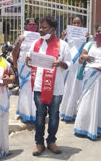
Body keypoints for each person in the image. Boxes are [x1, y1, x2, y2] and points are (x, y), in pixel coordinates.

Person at [26, 16, 71, 156]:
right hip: (39, 85)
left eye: (44, 27)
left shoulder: (62, 45)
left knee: (54, 115)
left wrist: (61, 63)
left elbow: (69, 64)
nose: (40, 30)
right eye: (40, 27)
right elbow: (29, 63)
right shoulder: (35, 44)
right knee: (40, 115)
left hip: (56, 87)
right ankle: (39, 143)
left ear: (52, 29)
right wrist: (28, 61)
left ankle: (51, 141)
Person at [74, 24, 101, 140]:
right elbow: (80, 59)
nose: (100, 34)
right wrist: (84, 57)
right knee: (86, 101)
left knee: (100, 103)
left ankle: (97, 127)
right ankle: (82, 127)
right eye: (98, 31)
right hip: (89, 77)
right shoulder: (89, 45)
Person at [59, 16, 90, 122]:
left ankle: (77, 113)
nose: (76, 25)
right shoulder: (67, 36)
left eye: (78, 23)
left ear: (82, 24)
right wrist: (63, 37)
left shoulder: (88, 37)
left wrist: (87, 39)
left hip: (80, 67)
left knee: (77, 89)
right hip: (68, 67)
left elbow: (91, 49)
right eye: (74, 23)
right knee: (67, 89)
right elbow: (61, 48)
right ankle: (65, 112)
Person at [12, 18, 38, 122]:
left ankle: (36, 113)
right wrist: (19, 42)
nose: (32, 26)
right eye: (30, 24)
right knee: (25, 88)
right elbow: (14, 53)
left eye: (34, 24)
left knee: (35, 88)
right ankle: (24, 112)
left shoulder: (41, 38)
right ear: (26, 26)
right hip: (23, 66)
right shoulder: (21, 37)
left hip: (36, 65)